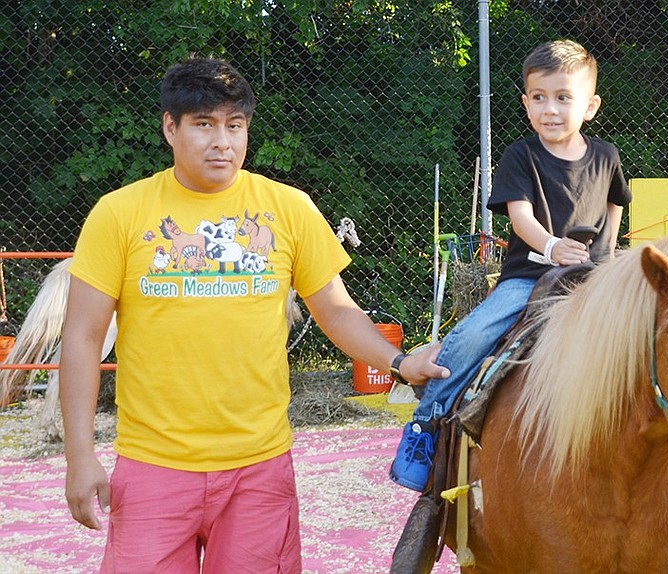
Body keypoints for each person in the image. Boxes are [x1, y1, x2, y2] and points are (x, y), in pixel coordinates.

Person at [59, 57, 448, 572]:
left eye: (233, 126)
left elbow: (335, 310)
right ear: (169, 128)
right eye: (203, 124)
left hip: (258, 470)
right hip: (152, 466)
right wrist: (80, 457)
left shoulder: (289, 209)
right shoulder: (119, 213)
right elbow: (83, 337)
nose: (222, 141)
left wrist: (399, 362)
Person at [389, 39, 632, 491]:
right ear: (525, 103)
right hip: (531, 277)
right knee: (473, 335)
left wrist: (610, 257)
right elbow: (520, 219)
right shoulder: (520, 156)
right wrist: (553, 246)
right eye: (539, 98)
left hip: (593, 279)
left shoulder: (607, 156)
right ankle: (425, 425)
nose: (550, 109)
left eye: (563, 98)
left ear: (591, 106)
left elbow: (617, 204)